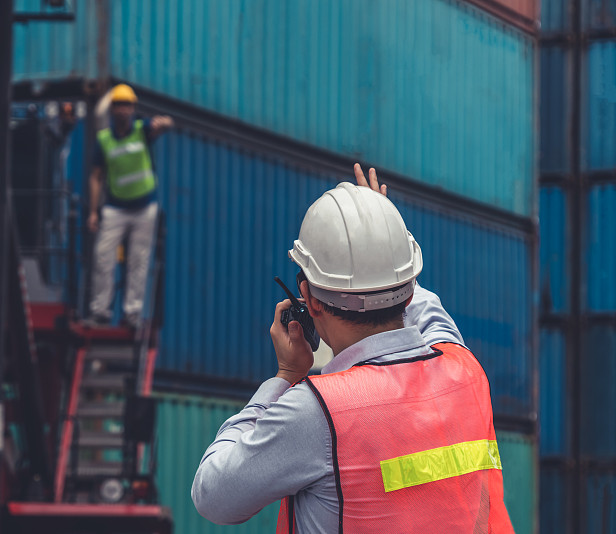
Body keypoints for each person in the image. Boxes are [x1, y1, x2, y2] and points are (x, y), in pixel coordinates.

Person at [191, 165, 514, 533]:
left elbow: (212, 495)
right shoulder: (465, 369)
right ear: (407, 285)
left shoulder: (317, 412)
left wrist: (284, 377)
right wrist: (381, 240)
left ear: (309, 299)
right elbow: (423, 304)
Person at [86, 84, 174, 328]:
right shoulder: (104, 140)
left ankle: (132, 313)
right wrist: (93, 212)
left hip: (144, 207)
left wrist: (162, 123)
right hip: (115, 207)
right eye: (119, 105)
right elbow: (96, 176)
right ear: (112, 109)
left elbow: (167, 123)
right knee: (103, 258)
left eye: (128, 105)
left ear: (133, 108)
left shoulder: (142, 130)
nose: (124, 110)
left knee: (138, 260)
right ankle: (100, 311)